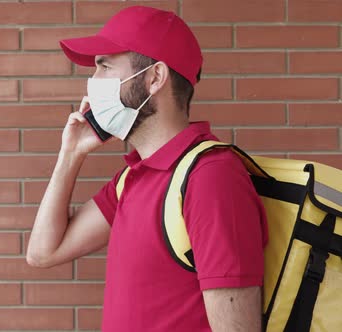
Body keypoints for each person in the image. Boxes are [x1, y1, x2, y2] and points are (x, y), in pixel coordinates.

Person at [26, 6, 268, 332]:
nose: (92, 84)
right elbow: (43, 252)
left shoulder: (210, 177)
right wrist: (70, 154)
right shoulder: (132, 178)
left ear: (154, 78)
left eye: (104, 67)